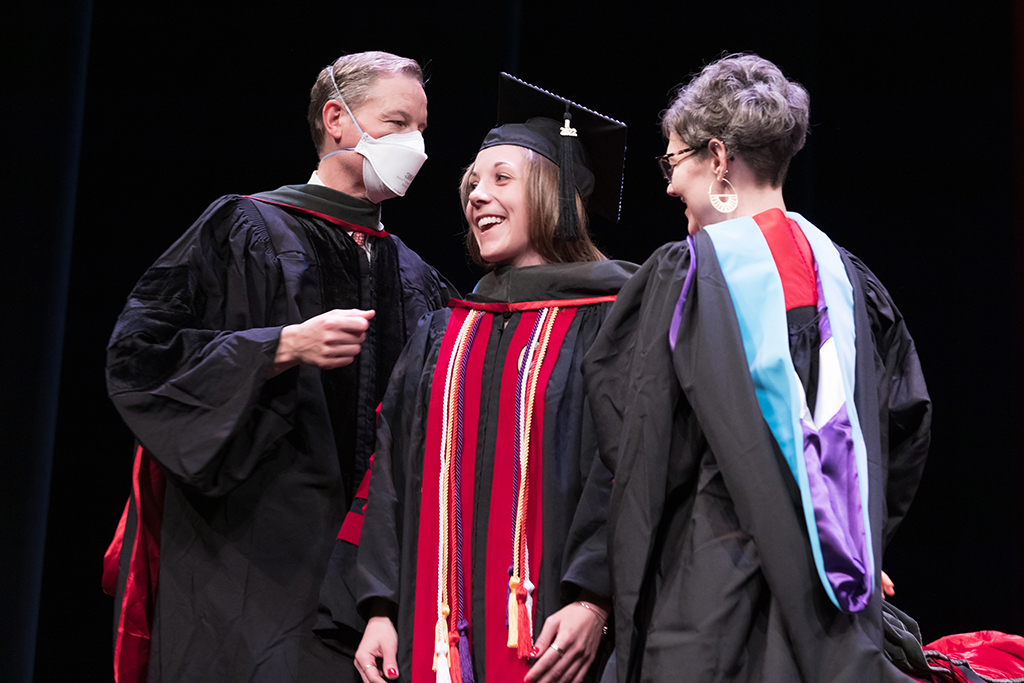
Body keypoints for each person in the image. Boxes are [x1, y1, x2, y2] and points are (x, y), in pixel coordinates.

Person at [102, 51, 455, 683]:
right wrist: (280, 347)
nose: (417, 146)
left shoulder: (419, 278)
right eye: (398, 123)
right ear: (337, 120)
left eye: (422, 129)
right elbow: (139, 358)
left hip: (367, 580)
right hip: (240, 563)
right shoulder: (241, 227)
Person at [581, 54, 931, 682]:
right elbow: (907, 423)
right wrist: (855, 532)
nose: (669, 186)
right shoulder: (849, 281)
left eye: (673, 162)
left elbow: (640, 445)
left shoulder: (684, 275)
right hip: (835, 604)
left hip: (710, 598)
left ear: (717, 158)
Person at [318, 74, 636, 683]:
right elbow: (390, 471)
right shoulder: (443, 332)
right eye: (471, 184)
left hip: (560, 633)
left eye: (500, 179)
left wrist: (596, 599)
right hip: (432, 637)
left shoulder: (615, 320)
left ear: (553, 191)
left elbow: (626, 471)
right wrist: (378, 607)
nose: (476, 196)